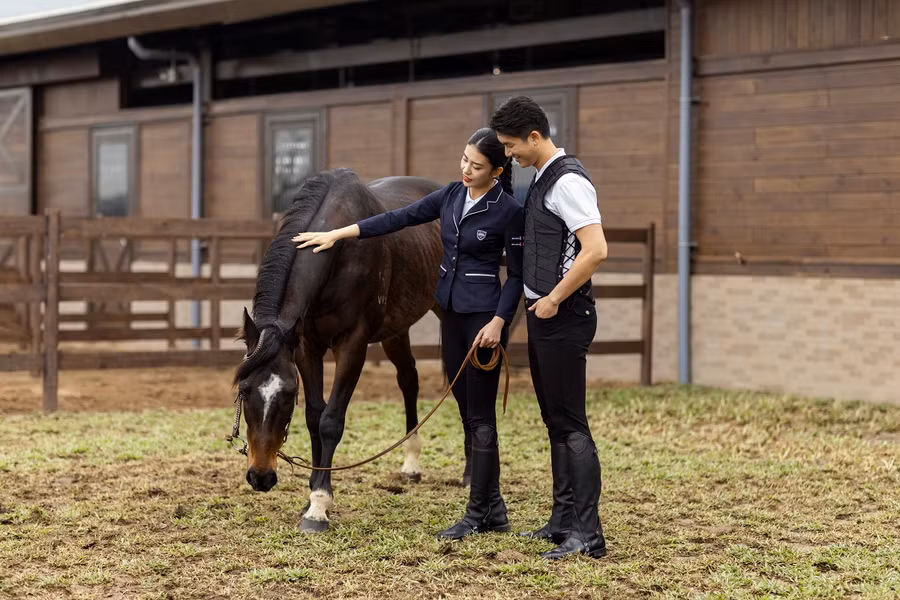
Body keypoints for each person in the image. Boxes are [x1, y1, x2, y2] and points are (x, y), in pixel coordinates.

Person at [292, 127, 523, 541]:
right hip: (452, 312)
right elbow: (395, 219)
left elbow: (518, 275)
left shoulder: (508, 211)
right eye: (464, 160)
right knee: (464, 403)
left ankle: (486, 508)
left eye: (476, 166)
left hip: (483, 317)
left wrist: (499, 321)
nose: (466, 169)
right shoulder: (451, 195)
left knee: (480, 412)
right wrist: (337, 234)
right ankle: (489, 509)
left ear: (497, 171)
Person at [489, 96, 609, 560]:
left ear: (535, 137)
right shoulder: (542, 176)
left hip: (565, 315)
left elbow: (595, 249)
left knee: (572, 424)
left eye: (511, 145)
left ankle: (589, 533)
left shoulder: (568, 181)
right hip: (546, 317)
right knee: (555, 421)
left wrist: (555, 298)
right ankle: (563, 522)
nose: (508, 154)